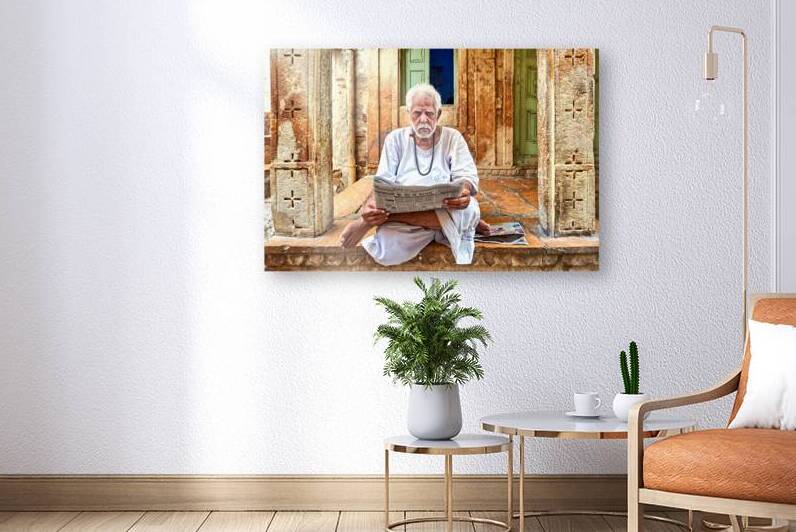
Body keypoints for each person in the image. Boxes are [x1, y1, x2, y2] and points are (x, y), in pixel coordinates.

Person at [339, 83, 489, 265]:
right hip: (409, 208)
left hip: (438, 208)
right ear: (409, 113)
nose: (424, 119)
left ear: (438, 115)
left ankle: (391, 219)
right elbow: (383, 180)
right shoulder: (395, 139)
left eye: (429, 113)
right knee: (388, 247)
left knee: (470, 208)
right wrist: (371, 208)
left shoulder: (452, 137)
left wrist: (463, 192)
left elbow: (466, 175)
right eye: (417, 113)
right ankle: (446, 227)